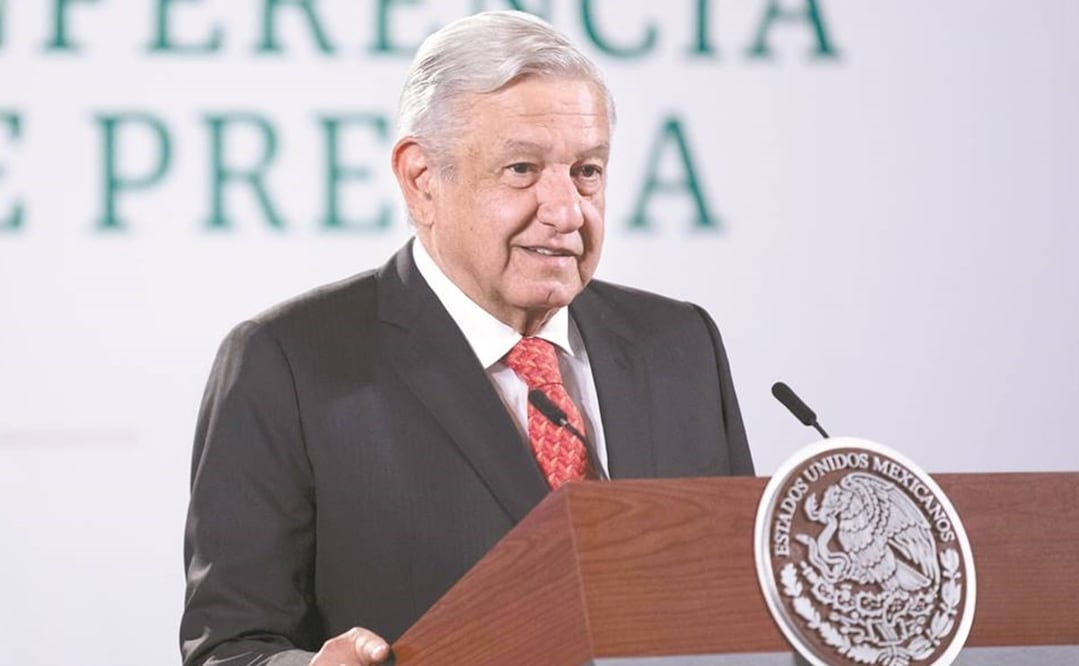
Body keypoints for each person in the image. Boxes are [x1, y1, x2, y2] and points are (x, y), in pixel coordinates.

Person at [180, 10, 753, 666]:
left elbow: (735, 604)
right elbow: (230, 648)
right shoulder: (288, 362)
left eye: (587, 171)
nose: (566, 211)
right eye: (521, 170)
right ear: (421, 180)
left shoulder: (679, 343)